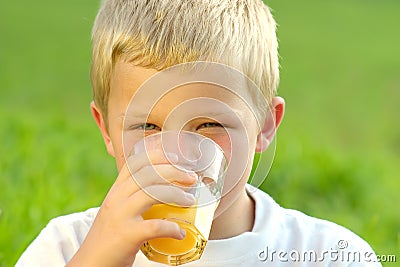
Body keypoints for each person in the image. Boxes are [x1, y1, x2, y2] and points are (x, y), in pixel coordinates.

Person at [16, 0, 381, 266]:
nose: (179, 157)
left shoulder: (327, 254)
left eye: (209, 125)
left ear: (265, 125)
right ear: (106, 130)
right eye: (147, 127)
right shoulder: (68, 247)